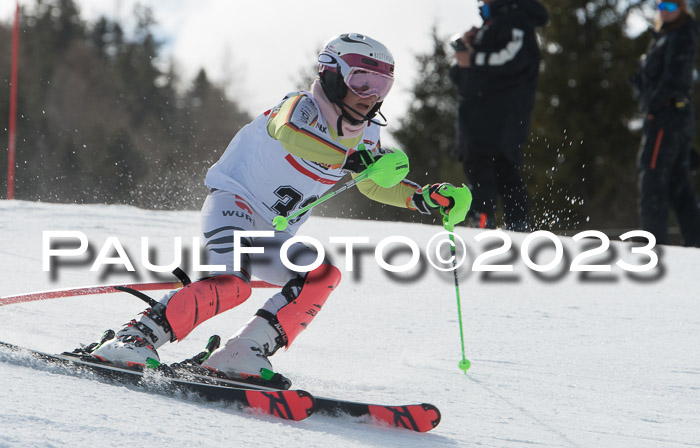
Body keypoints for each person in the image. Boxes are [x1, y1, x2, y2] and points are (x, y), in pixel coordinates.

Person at [83, 33, 472, 380]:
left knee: (321, 275)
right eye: (361, 81)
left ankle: (241, 352)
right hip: (234, 206)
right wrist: (349, 160)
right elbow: (290, 135)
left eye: (382, 85)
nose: (370, 95)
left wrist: (422, 198)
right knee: (232, 285)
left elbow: (371, 184)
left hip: (274, 232)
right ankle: (134, 337)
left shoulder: (368, 129)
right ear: (332, 75)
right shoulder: (300, 106)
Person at [450, 0, 548, 231]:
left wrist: (473, 58)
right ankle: (508, 226)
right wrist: (467, 47)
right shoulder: (493, 22)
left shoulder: (515, 18)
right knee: (495, 168)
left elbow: (513, 58)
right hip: (480, 112)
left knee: (491, 166)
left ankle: (486, 223)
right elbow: (462, 74)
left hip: (501, 113)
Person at [631, 0, 700, 247]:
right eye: (661, 6)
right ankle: (695, 244)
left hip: (667, 118)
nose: (664, 11)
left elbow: (674, 78)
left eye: (671, 7)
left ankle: (653, 246)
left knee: (652, 180)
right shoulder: (663, 37)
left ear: (681, 9)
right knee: (677, 183)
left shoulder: (681, 35)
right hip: (671, 118)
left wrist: (654, 103)